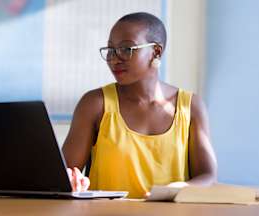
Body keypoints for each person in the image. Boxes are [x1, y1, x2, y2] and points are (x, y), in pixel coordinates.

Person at [62, 12, 217, 198]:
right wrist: (73, 181)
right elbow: (65, 175)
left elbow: (208, 176)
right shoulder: (95, 104)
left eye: (127, 49)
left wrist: (176, 190)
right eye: (111, 50)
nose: (114, 59)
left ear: (156, 51)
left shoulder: (191, 107)